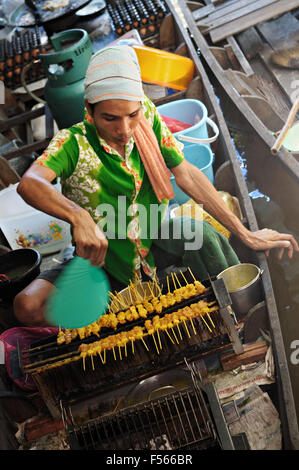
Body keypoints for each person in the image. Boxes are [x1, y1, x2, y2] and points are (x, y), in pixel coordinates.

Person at [13, 45, 298, 327]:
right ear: (89, 109)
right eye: (110, 118)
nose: (124, 129)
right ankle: (109, 317)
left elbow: (185, 172)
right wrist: (78, 216)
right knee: (27, 306)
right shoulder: (71, 143)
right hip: (104, 258)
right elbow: (30, 184)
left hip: (151, 237)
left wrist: (246, 233)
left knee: (200, 235)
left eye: (131, 115)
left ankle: (234, 318)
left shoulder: (147, 116)